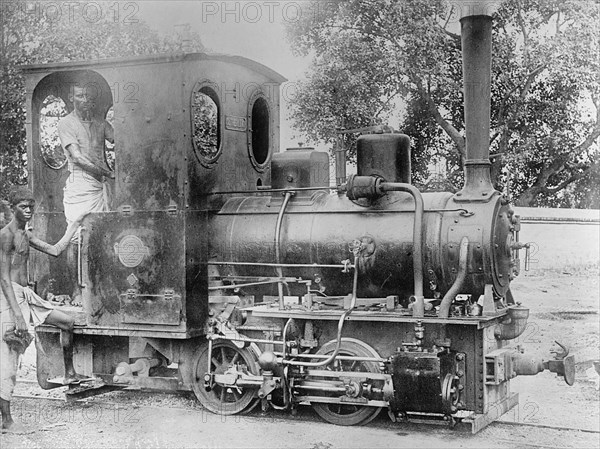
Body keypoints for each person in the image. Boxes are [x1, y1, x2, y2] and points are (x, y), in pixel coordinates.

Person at [0, 187, 88, 433]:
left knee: (67, 322)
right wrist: (17, 315)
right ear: (12, 208)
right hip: (9, 298)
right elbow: (4, 279)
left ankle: (69, 373)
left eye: (30, 206)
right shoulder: (6, 235)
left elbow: (56, 250)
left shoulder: (25, 235)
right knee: (9, 361)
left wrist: (75, 224)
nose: (28, 210)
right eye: (22, 206)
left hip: (27, 295)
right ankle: (6, 422)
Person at [58, 83, 115, 302]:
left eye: (88, 96)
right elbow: (78, 158)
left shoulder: (100, 123)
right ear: (72, 97)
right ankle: (76, 290)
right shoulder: (66, 123)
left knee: (101, 235)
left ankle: (98, 287)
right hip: (80, 186)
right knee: (75, 238)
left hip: (100, 187)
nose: (85, 100)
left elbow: (122, 139)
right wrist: (107, 173)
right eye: (80, 95)